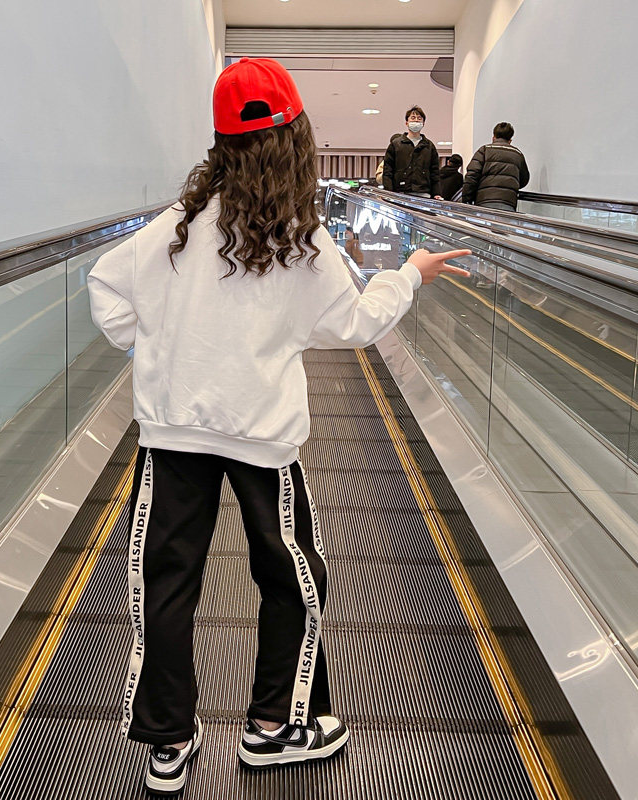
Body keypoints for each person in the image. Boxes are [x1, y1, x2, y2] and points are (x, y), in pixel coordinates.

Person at [87, 57, 470, 796]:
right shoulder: (302, 241)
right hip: (264, 436)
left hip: (172, 435)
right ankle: (273, 727)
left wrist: (155, 345)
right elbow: (353, 325)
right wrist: (409, 275)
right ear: (296, 137)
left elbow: (106, 287)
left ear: (220, 142)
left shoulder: (177, 227)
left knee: (164, 582)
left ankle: (168, 742)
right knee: (292, 575)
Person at [462, 122, 530, 211]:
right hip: (508, 203)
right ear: (510, 140)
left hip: (484, 201)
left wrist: (466, 201)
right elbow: (524, 180)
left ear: (493, 137)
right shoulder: (518, 154)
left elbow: (471, 176)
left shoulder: (484, 150)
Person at [382, 106, 441, 198]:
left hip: (424, 193)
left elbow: (435, 173)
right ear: (406, 122)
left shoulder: (429, 146)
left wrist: (437, 193)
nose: (416, 120)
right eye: (413, 118)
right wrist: (389, 193)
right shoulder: (396, 145)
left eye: (419, 118)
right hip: (400, 193)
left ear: (423, 123)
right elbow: (387, 171)